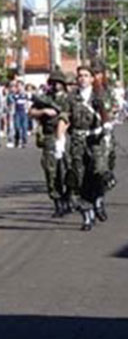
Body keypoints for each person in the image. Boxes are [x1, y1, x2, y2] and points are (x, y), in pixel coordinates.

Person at [60, 65, 110, 231]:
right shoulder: (71, 98)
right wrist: (60, 139)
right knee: (78, 178)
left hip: (96, 139)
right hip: (77, 140)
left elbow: (107, 113)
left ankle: (98, 200)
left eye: (86, 75)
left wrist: (106, 127)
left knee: (99, 172)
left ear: (91, 78)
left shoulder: (99, 96)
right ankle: (87, 216)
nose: (82, 78)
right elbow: (64, 118)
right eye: (80, 76)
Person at [29, 71, 71, 218]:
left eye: (58, 82)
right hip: (49, 136)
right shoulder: (46, 98)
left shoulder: (70, 98)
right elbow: (32, 111)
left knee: (69, 169)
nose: (55, 85)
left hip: (68, 136)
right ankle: (57, 202)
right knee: (51, 170)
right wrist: (43, 111)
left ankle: (68, 197)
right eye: (52, 82)